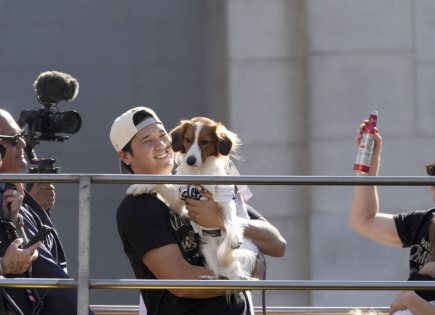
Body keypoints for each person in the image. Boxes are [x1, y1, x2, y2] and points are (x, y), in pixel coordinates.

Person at [110, 106, 286, 315]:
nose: (162, 145)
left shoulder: (200, 182)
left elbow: (277, 244)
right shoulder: (137, 206)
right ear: (126, 157)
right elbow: (183, 282)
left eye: (162, 135)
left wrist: (223, 221)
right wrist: (242, 277)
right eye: (147, 141)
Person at [0, 108, 94, 314]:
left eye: (22, 137)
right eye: (13, 139)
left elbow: (47, 263)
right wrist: (4, 266)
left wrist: (25, 213)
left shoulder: (18, 201)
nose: (23, 144)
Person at [350, 118, 435, 315]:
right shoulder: (424, 221)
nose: (432, 180)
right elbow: (363, 220)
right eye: (432, 170)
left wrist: (407, 297)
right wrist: (370, 159)